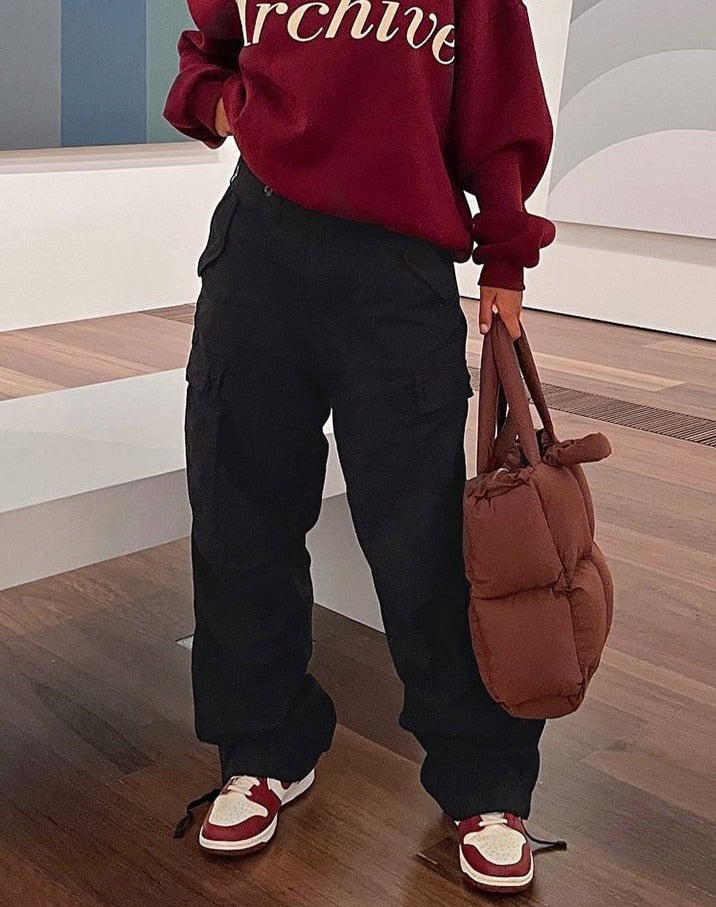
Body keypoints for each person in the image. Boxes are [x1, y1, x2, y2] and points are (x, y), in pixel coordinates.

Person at [164, 0, 558, 894]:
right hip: (258, 248)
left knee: (424, 540)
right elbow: (207, 47)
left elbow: (499, 103)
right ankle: (263, 746)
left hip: (399, 267)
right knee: (238, 518)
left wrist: (505, 254)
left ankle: (484, 780)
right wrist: (223, 104)